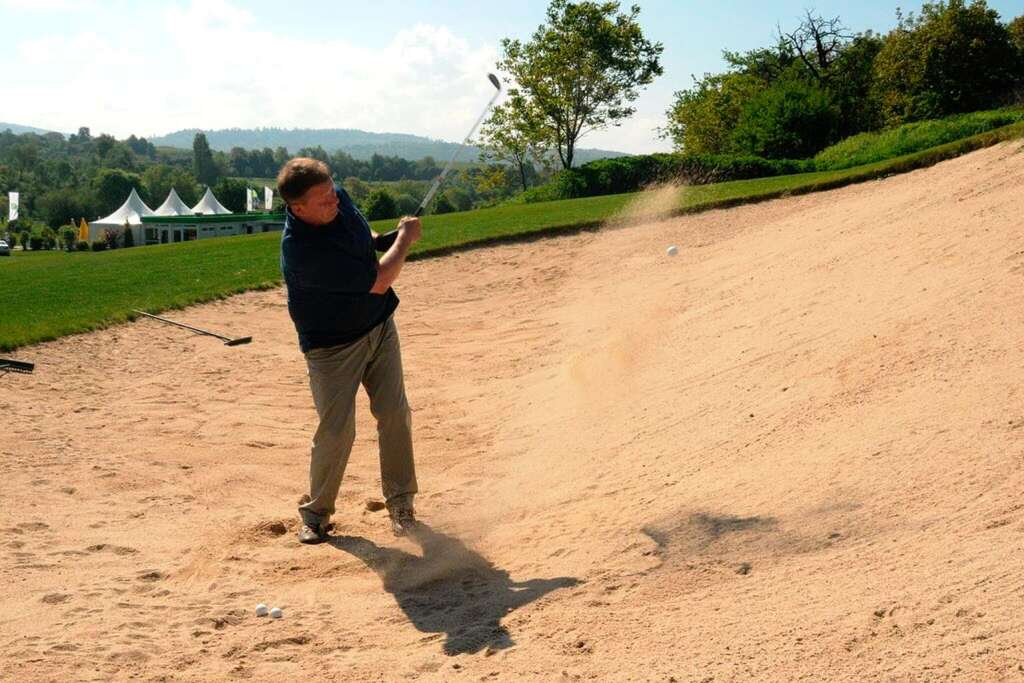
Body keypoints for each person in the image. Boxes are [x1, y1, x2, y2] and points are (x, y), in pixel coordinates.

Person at [277, 157, 421, 543]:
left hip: (378, 326)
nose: (334, 201)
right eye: (323, 200)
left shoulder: (335, 198)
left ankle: (401, 504)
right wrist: (406, 239)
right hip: (332, 347)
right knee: (337, 430)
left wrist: (383, 239)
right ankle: (317, 514)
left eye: (332, 192)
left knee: (394, 412)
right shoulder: (302, 251)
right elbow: (379, 279)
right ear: (298, 208)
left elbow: (361, 233)